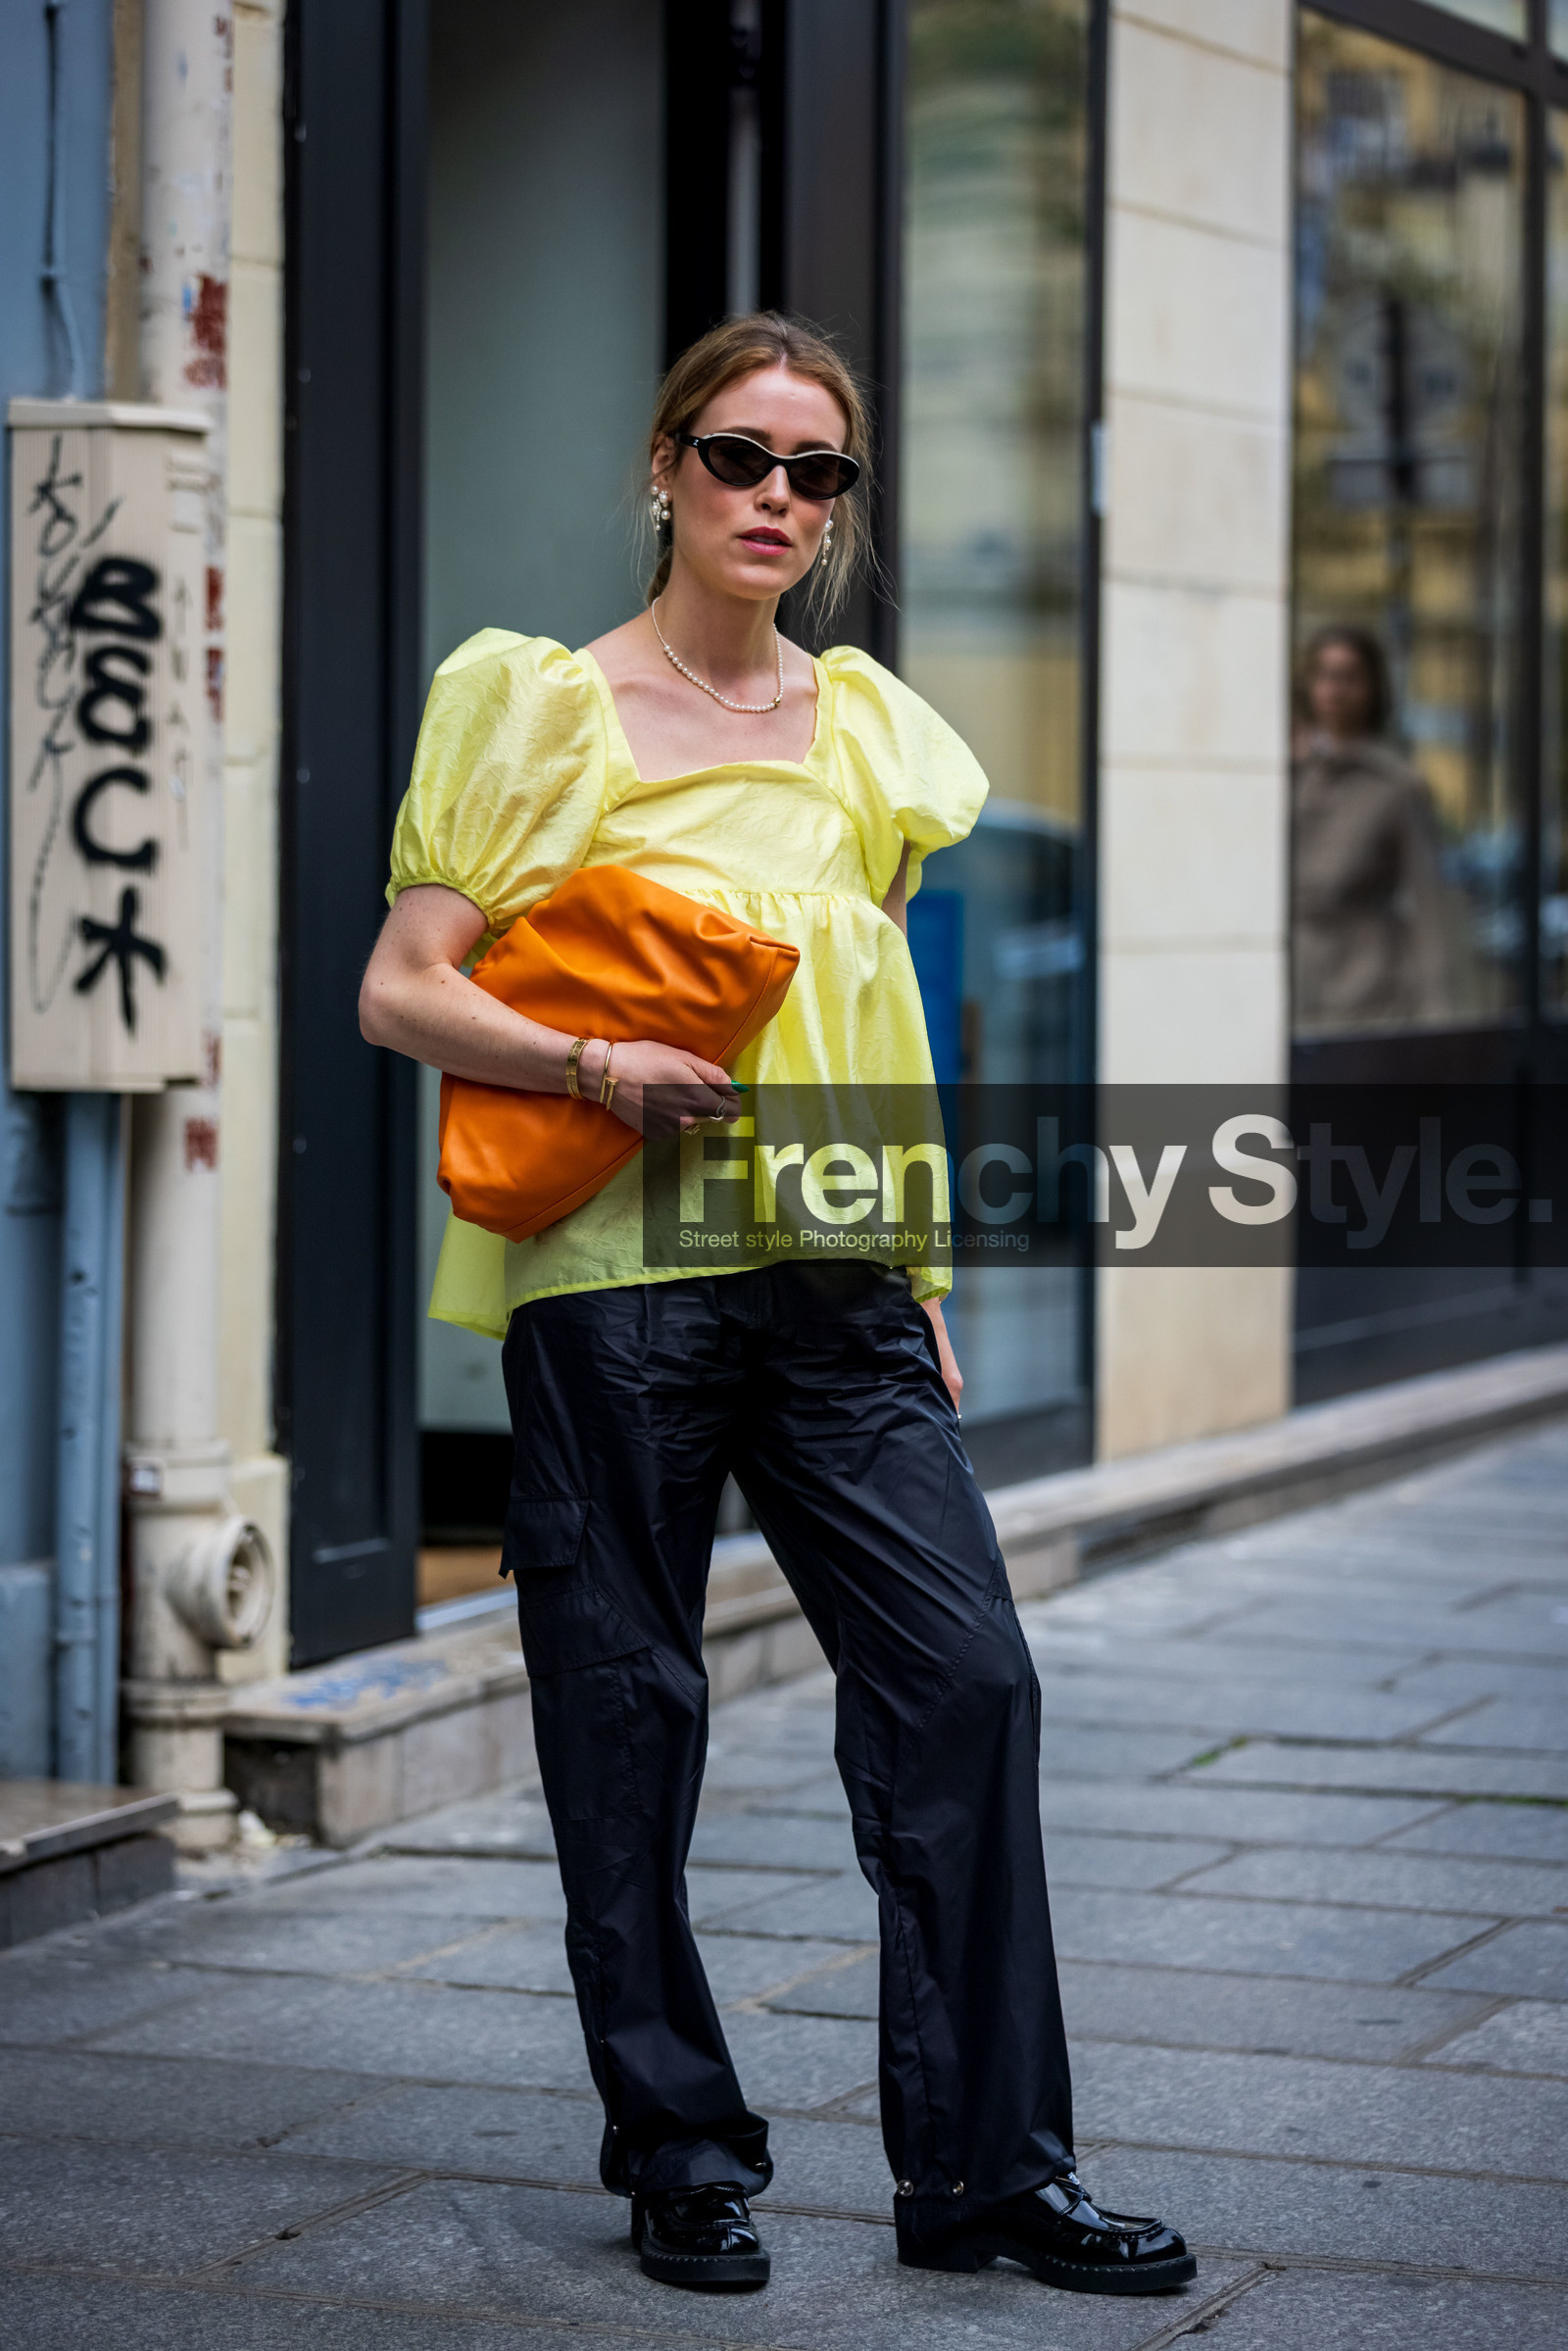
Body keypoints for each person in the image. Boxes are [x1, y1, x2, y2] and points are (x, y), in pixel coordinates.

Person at [361, 312, 1193, 2299]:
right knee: (629, 1711)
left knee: (967, 1679)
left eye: (815, 474)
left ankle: (987, 2165)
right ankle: (678, 2143)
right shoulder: (539, 707)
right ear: (662, 466)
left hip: (836, 1292)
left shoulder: (869, 731)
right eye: (740, 457)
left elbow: (877, 1018)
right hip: (616, 1286)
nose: (776, 501)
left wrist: (917, 1275)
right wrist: (589, 1067)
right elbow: (402, 985)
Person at [1292, 624, 1451, 1031]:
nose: (1334, 689)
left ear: (1372, 687)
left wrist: (1437, 1017)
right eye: (1324, 674)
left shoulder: (1396, 786)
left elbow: (1429, 904)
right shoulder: (1289, 775)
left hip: (1367, 992)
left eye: (1348, 676)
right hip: (1296, 988)